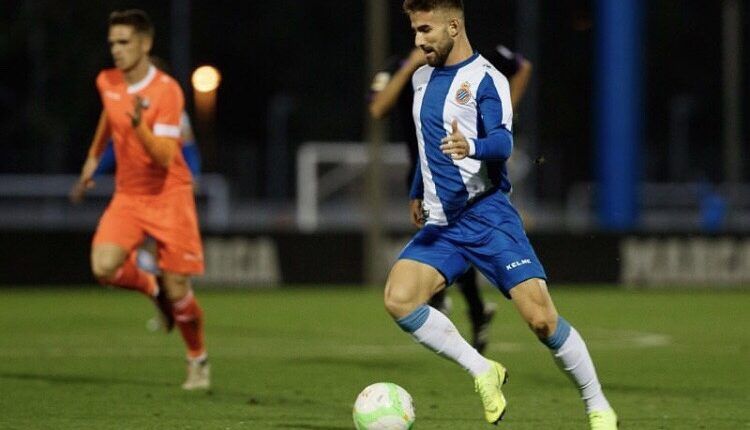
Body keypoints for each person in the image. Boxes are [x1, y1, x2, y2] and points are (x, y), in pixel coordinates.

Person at [384, 1, 618, 428]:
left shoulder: (486, 78)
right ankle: (481, 369)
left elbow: (502, 145)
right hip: (443, 226)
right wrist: (418, 190)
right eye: (414, 31)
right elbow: (425, 144)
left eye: (425, 31)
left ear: (454, 26)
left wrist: (469, 146)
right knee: (399, 299)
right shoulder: (420, 78)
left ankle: (597, 404)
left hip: (487, 216)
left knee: (543, 321)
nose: (418, 41)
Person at [70, 9, 210, 391]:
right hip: (129, 195)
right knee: (104, 266)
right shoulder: (108, 80)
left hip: (169, 194)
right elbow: (109, 116)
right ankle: (152, 288)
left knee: (179, 287)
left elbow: (166, 155)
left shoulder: (167, 91)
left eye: (124, 42)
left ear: (145, 44)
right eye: (112, 42)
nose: (115, 50)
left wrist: (138, 128)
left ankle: (197, 360)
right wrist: (92, 160)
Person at [370, 42, 532, 354]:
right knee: (450, 241)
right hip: (427, 171)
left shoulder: (478, 59)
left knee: (462, 239)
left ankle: (457, 301)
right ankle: (470, 307)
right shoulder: (402, 62)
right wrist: (409, 66)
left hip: (475, 169)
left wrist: (496, 123)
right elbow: (378, 107)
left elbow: (522, 67)